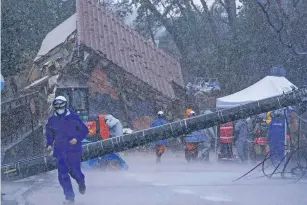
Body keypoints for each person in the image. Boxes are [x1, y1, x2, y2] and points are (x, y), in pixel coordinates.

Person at [46, 96, 89, 204]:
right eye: (57, 107)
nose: (59, 109)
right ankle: (70, 198)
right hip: (60, 151)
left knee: (75, 172)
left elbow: (85, 130)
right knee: (63, 175)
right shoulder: (52, 120)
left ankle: (81, 182)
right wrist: (49, 144)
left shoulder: (73, 117)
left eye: (61, 106)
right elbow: (49, 133)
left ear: (65, 105)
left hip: (73, 151)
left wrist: (77, 138)